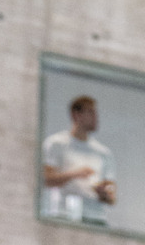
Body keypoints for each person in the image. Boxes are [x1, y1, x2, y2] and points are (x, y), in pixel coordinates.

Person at [41, 95, 116, 225]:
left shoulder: (103, 153)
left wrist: (103, 192)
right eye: (91, 112)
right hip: (63, 214)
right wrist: (74, 174)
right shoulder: (56, 144)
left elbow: (111, 198)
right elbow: (45, 179)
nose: (95, 117)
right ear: (76, 115)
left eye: (95, 113)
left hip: (95, 218)